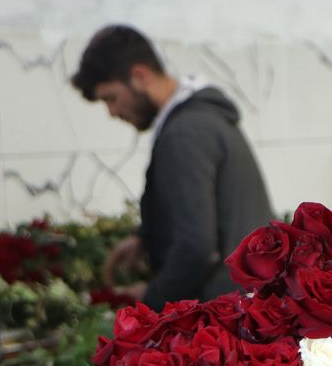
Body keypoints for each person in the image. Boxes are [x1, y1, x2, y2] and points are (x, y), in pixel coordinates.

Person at [73, 25, 273, 309]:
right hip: (242, 302)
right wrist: (144, 238)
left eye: (111, 98)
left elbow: (198, 247)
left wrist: (151, 297)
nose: (113, 112)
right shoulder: (201, 119)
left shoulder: (184, 133)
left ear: (140, 76)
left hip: (223, 311)